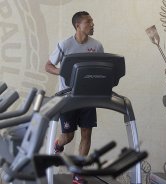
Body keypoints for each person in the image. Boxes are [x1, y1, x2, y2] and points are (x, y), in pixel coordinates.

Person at [45, 11, 104, 184]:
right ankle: (58, 144)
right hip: (68, 97)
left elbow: (101, 69)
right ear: (78, 25)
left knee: (87, 133)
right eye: (89, 22)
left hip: (88, 96)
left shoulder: (97, 46)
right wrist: (64, 71)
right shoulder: (65, 44)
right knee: (68, 136)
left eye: (92, 21)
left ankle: (78, 173)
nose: (92, 24)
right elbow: (48, 66)